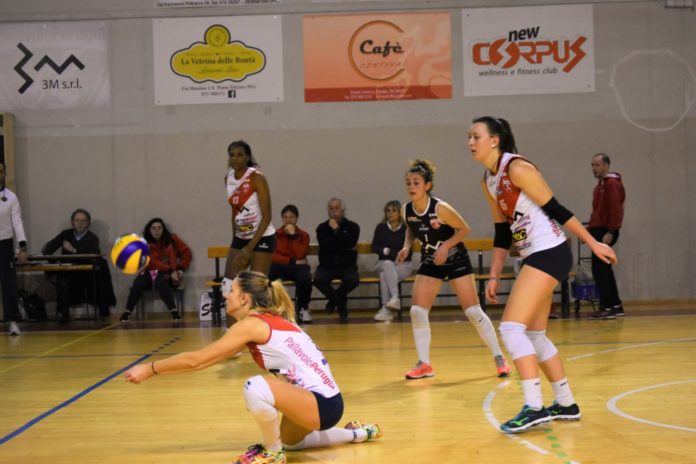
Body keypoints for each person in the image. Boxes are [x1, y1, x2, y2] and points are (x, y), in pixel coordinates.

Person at [124, 271, 381, 464]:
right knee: (291, 442)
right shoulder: (266, 320)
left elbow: (197, 360)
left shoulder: (252, 324)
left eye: (232, 290)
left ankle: (272, 453)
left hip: (320, 403)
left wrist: (151, 369)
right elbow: (206, 360)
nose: (226, 295)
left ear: (244, 298)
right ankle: (358, 433)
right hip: (326, 403)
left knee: (255, 387)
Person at [469, 116, 617, 433]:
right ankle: (565, 402)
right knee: (534, 336)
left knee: (511, 328)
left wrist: (592, 243)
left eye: (476, 136)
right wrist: (494, 275)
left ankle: (534, 407)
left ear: (494, 140)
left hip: (550, 251)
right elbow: (502, 232)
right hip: (535, 254)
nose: (470, 142)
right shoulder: (487, 181)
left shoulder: (518, 168)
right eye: (469, 136)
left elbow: (557, 210)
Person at [396, 160, 511, 380]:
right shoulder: (406, 209)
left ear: (427, 185)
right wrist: (406, 246)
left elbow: (464, 229)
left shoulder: (440, 208)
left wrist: (446, 246)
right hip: (431, 260)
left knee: (473, 312)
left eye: (416, 182)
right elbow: (411, 228)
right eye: (408, 182)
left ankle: (499, 358)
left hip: (455, 258)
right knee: (417, 312)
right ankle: (424, 364)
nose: (411, 186)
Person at [42, 208, 117, 323]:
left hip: (86, 274)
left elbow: (91, 257)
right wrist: (55, 262)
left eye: (83, 220)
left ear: (88, 223)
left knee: (99, 277)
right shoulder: (65, 234)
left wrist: (73, 250)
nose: (80, 223)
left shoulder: (93, 238)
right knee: (61, 279)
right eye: (77, 220)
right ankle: (64, 314)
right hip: (69, 273)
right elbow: (47, 249)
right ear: (72, 222)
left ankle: (102, 312)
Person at [119, 218, 192, 322]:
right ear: (149, 230)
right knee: (138, 282)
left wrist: (181, 268)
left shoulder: (172, 239)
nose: (156, 231)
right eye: (153, 228)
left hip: (167, 275)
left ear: (163, 229)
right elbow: (151, 262)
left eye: (159, 228)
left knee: (160, 282)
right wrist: (170, 269)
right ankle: (127, 312)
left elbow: (187, 253)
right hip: (150, 272)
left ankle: (174, 311)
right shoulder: (144, 243)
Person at [224, 140, 276, 280]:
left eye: (240, 155)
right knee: (228, 284)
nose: (235, 158)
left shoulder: (257, 178)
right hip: (241, 234)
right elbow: (234, 211)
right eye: (232, 155)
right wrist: (235, 238)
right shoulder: (228, 178)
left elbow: (267, 216)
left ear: (248, 157)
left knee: (255, 285)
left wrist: (249, 247)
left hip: (261, 236)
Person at [587, 153, 625, 320]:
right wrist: (589, 232)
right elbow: (597, 211)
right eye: (592, 165)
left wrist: (611, 231)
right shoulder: (600, 186)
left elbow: (615, 209)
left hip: (605, 231)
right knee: (604, 269)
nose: (594, 168)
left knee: (600, 269)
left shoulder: (612, 184)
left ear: (606, 166)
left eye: (597, 165)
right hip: (598, 230)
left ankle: (607, 306)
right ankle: (615, 305)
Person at [314, 198, 360, 323]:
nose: (334, 211)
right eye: (331, 209)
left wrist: (337, 230)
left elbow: (350, 243)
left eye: (337, 208)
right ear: (328, 211)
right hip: (327, 265)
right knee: (318, 280)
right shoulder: (322, 228)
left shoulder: (353, 227)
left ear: (343, 210)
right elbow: (326, 247)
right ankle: (341, 304)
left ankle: (333, 301)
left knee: (353, 280)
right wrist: (343, 243)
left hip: (347, 265)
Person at [268, 204, 313, 324]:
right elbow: (273, 256)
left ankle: (303, 309)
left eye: (291, 217)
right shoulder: (275, 234)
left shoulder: (303, 235)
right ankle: (271, 309)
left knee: (305, 278)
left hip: (297, 268)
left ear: (296, 218)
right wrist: (292, 261)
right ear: (282, 219)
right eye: (285, 217)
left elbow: (300, 254)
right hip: (281, 266)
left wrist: (293, 236)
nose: (288, 220)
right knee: (268, 275)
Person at [371, 200, 414, 322]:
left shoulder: (406, 229)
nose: (390, 213)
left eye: (394, 210)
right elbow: (374, 247)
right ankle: (395, 297)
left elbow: (408, 252)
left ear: (400, 213)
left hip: (403, 265)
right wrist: (388, 251)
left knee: (384, 275)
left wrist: (389, 252)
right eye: (388, 210)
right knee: (387, 264)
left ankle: (386, 309)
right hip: (383, 263)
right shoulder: (381, 228)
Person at [0, 162, 27, 336]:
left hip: (4, 243)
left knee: (9, 284)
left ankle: (12, 321)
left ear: (4, 173)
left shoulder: (11, 197)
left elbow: (17, 222)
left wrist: (22, 246)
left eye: (0, 171)